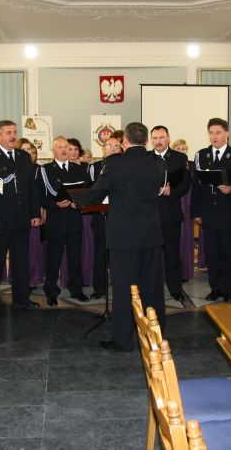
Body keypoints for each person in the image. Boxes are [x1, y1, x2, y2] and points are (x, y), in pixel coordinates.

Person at [91, 122, 165, 352]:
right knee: (152, 288)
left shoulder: (114, 163)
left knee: (124, 289)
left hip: (123, 236)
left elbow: (96, 194)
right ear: (146, 140)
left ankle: (123, 340)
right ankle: (156, 336)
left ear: (125, 140)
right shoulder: (158, 163)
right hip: (150, 234)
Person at [0, 120, 42, 311]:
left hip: (21, 217)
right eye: (8, 132)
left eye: (14, 132)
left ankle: (22, 297)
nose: (13, 136)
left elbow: (31, 187)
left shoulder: (22, 156)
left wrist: (35, 212)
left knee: (21, 260)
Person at [191, 118, 231, 303]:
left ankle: (227, 289)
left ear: (227, 133)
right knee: (212, 254)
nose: (214, 136)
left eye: (218, 132)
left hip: (228, 213)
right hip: (208, 214)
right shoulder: (202, 155)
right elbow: (196, 187)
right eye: (211, 132)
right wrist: (197, 212)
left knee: (227, 253)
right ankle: (214, 288)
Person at [39, 136, 90, 305]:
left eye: (66, 147)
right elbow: (39, 196)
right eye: (60, 147)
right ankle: (51, 291)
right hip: (55, 221)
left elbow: (86, 192)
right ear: (53, 150)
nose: (64, 150)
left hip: (74, 219)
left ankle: (76, 289)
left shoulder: (79, 170)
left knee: (75, 257)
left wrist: (79, 203)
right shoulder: (45, 170)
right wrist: (54, 204)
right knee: (53, 258)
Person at [150, 126, 191, 301]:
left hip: (170, 213)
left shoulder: (179, 158)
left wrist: (171, 192)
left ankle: (175, 289)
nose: (158, 141)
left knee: (172, 254)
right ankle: (151, 289)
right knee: (150, 256)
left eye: (161, 137)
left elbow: (185, 184)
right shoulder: (145, 158)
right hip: (148, 216)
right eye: (154, 138)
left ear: (168, 138)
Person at [88, 135, 122, 299]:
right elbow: (91, 190)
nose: (114, 149)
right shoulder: (94, 167)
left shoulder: (125, 166)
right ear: (103, 149)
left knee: (118, 254)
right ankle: (99, 288)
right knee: (100, 253)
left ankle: (120, 286)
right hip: (100, 215)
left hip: (118, 216)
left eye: (117, 146)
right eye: (110, 146)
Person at [18, 138, 46, 289]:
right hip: (19, 213)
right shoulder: (15, 167)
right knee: (21, 248)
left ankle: (33, 277)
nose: (29, 152)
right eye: (25, 149)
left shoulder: (38, 169)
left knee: (34, 246)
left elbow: (40, 192)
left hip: (34, 211)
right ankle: (20, 278)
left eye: (31, 150)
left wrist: (41, 210)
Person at [171, 139, 195, 283]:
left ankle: (185, 272)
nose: (182, 150)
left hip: (188, 204)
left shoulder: (192, 165)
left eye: (184, 148)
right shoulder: (171, 165)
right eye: (178, 148)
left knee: (186, 239)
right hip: (174, 203)